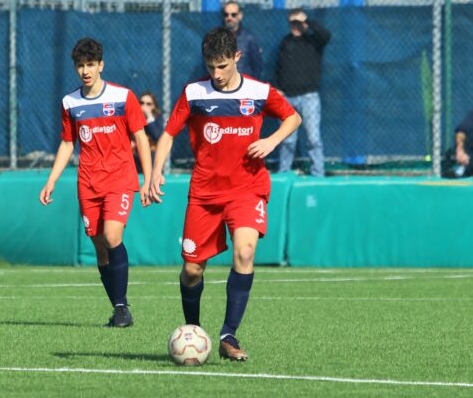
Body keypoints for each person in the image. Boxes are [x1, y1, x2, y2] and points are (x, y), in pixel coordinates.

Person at [149, 27, 301, 361]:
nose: (216, 74)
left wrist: (272, 140)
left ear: (237, 58)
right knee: (192, 271)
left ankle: (228, 335)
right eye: (210, 67)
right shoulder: (193, 93)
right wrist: (156, 171)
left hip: (247, 188)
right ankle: (194, 331)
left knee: (245, 254)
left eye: (222, 66)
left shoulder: (259, 92)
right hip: (204, 194)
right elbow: (169, 134)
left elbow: (293, 117)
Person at [39, 37, 152, 328]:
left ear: (101, 65)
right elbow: (67, 144)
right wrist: (51, 180)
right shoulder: (70, 102)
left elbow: (140, 137)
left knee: (113, 237)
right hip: (88, 184)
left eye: (90, 64)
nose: (85, 70)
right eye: (80, 65)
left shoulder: (122, 97)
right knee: (100, 247)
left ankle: (122, 306)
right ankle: (118, 308)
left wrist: (148, 177)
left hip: (120, 179)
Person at [275, 8, 331, 176]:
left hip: (309, 97)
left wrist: (307, 21)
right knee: (287, 139)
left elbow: (326, 35)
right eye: (292, 23)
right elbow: (279, 67)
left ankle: (318, 174)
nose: (295, 26)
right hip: (288, 98)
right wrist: (277, 88)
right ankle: (284, 173)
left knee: (313, 138)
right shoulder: (285, 42)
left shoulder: (314, 41)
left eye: (298, 23)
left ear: (305, 23)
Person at [222, 0, 263, 80]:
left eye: (233, 15)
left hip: (244, 86)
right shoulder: (218, 38)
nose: (229, 18)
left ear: (240, 16)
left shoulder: (249, 39)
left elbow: (257, 67)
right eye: (226, 14)